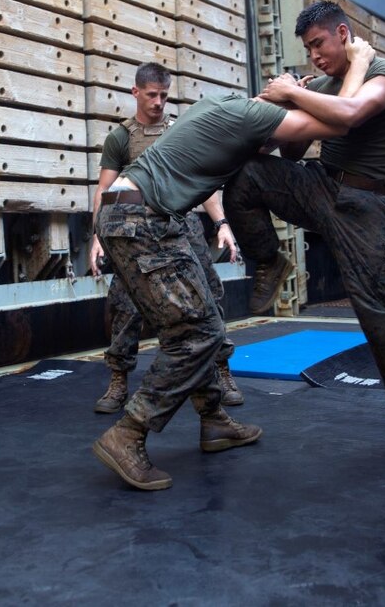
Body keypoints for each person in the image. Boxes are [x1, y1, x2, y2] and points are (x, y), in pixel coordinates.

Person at [92, 87, 356, 491]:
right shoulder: (256, 116)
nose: (272, 145)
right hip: (140, 220)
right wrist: (355, 64)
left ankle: (213, 421)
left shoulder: (219, 105)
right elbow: (343, 119)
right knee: (195, 335)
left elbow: (210, 172)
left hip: (136, 214)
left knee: (205, 318)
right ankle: (129, 432)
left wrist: (222, 225)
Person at [222, 1, 385, 457]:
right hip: (319, 186)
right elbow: (293, 155)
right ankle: (268, 261)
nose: (315, 56)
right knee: (244, 178)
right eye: (308, 49)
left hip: (365, 206)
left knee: (378, 314)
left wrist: (295, 94)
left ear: (342, 33)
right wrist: (281, 102)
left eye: (319, 44)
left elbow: (350, 115)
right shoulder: (320, 83)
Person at [90, 63, 244, 413]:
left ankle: (221, 370)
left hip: (182, 225)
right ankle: (118, 381)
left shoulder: (181, 131)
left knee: (209, 295)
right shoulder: (121, 138)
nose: (159, 102)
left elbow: (202, 183)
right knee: (126, 305)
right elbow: (104, 190)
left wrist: (222, 224)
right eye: (151, 95)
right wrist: (97, 236)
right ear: (136, 92)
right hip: (138, 231)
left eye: (164, 95)